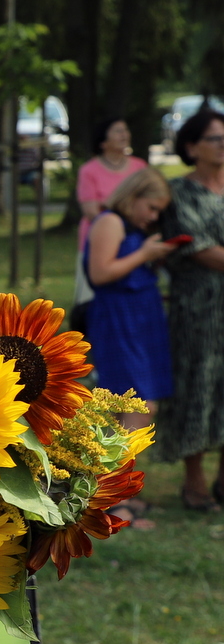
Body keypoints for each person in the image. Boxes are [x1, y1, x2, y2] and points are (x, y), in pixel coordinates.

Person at [84, 167, 175, 526]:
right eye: (151, 208)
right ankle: (113, 500)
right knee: (137, 404)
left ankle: (116, 495)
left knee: (134, 408)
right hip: (120, 320)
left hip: (141, 319)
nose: (153, 216)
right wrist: (144, 254)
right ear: (133, 196)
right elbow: (100, 273)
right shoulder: (110, 221)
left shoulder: (134, 228)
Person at [156, 108, 224, 510]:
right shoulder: (178, 192)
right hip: (198, 309)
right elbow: (197, 246)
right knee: (197, 386)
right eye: (215, 138)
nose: (222, 145)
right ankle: (194, 482)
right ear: (192, 146)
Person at [75, 118, 149, 250]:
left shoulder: (140, 166)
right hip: (99, 240)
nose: (124, 135)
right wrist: (116, 231)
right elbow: (91, 212)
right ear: (103, 142)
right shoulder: (88, 170)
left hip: (134, 238)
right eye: (118, 131)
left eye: (126, 130)